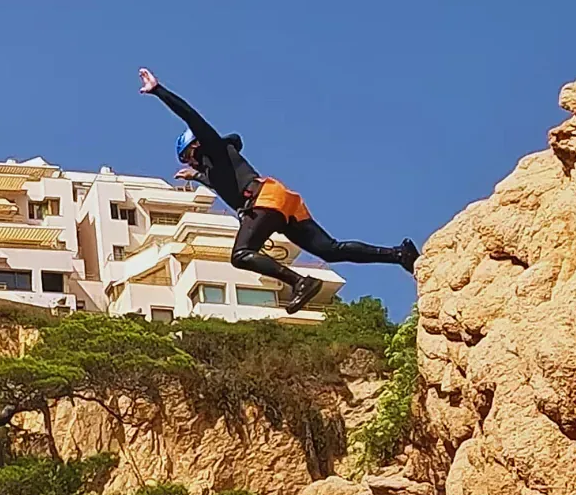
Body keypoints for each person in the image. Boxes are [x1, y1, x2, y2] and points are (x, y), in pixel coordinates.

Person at [139, 68, 419, 314]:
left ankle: (301, 282)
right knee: (330, 250)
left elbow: (192, 117)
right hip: (282, 201)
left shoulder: (213, 147)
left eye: (188, 156)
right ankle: (399, 254)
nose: (189, 162)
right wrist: (197, 176)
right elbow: (222, 183)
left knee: (240, 254)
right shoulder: (218, 165)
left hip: (264, 201)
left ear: (196, 146)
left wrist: (159, 91)